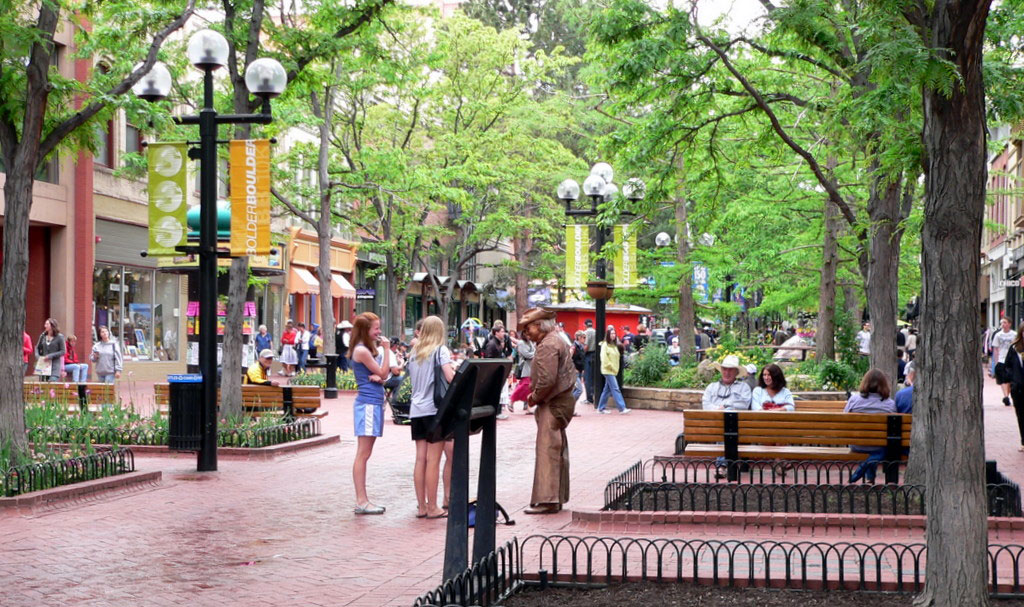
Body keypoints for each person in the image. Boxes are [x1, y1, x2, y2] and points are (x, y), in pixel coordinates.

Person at [519, 307, 577, 514]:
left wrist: (533, 397)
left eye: (528, 329)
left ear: (539, 326)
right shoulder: (557, 340)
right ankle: (555, 497)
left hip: (552, 403)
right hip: (560, 402)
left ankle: (548, 499)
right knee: (556, 448)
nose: (526, 333)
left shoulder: (547, 345)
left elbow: (547, 380)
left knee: (547, 450)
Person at [350, 312, 400, 514]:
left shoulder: (365, 350)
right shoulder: (361, 350)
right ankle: (361, 500)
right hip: (368, 404)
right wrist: (387, 350)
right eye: (376, 328)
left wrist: (380, 374)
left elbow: (381, 374)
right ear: (365, 330)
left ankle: (363, 499)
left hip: (373, 402)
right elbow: (384, 372)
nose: (379, 332)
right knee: (363, 454)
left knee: (365, 453)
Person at [406, 315, 455, 519]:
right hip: (435, 410)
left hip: (416, 409)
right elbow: (450, 377)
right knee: (433, 460)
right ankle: (434, 506)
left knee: (420, 459)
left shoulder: (414, 352)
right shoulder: (440, 351)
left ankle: (421, 506)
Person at [845, 369, 898, 482]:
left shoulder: (853, 400)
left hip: (857, 444)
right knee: (880, 448)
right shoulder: (890, 404)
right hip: (879, 446)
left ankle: (870, 479)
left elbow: (844, 419)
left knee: (871, 444)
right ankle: (865, 475)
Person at [596, 326, 631, 414]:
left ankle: (601, 408)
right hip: (608, 370)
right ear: (608, 334)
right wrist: (610, 366)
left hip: (613, 370)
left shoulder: (614, 345)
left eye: (614, 333)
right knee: (615, 388)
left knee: (607, 390)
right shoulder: (605, 345)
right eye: (611, 333)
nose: (613, 335)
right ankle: (622, 408)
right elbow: (603, 358)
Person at [1003, 322, 1024, 453]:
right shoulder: (1015, 348)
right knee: (1021, 415)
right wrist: (1012, 379)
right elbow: (1007, 365)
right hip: (1019, 388)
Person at [992, 317, 1016, 407]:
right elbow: (996, 349)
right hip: (1001, 359)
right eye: (1002, 323)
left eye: (1005, 322)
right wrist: (996, 361)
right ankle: (1006, 396)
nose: (1003, 324)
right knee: (1003, 379)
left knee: (1009, 380)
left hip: (1011, 359)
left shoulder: (1014, 334)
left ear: (1009, 324)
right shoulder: (998, 335)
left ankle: (1006, 396)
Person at [510, 335, 535, 413]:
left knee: (530, 388)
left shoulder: (530, 342)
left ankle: (528, 407)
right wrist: (536, 353)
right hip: (525, 368)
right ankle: (511, 400)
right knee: (524, 386)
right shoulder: (521, 343)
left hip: (532, 368)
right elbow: (527, 355)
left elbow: (533, 351)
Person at [582, 319, 596, 405]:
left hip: (588, 356)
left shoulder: (586, 332)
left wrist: (582, 353)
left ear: (585, 325)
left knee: (587, 378)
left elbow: (586, 346)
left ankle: (589, 398)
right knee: (594, 377)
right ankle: (595, 395)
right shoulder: (596, 331)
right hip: (595, 355)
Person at [571, 330, 586, 402]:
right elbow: (568, 359)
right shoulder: (573, 347)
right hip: (574, 372)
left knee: (574, 390)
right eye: (584, 337)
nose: (585, 339)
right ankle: (568, 406)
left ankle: (570, 409)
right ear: (579, 337)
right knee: (579, 390)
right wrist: (573, 369)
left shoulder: (581, 347)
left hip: (579, 371)